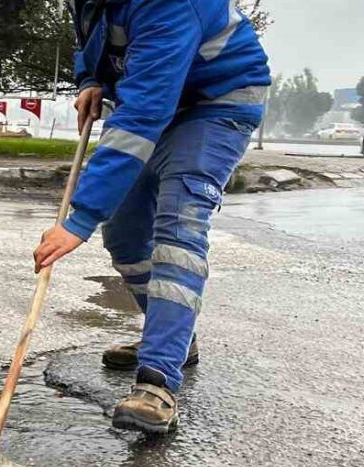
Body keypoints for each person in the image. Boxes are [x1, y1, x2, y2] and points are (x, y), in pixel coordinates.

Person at [33, 0, 270, 434]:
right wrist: (89, 78)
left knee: (179, 229)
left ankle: (157, 380)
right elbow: (94, 39)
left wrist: (79, 219)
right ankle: (177, 337)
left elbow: (143, 114)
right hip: (156, 99)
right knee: (124, 235)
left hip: (214, 105)